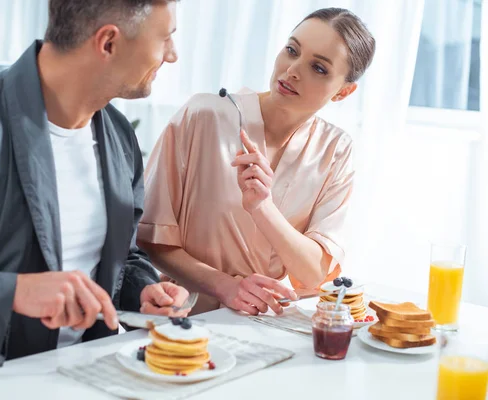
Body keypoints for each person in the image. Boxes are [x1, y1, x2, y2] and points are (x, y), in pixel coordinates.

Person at [0, 1, 185, 398]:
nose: (171, 54)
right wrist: (10, 293)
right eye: (165, 38)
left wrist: (144, 291)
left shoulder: (119, 137)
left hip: (86, 382)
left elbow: (122, 259)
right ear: (109, 42)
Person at [138, 8, 376, 316]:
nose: (292, 70)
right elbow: (152, 239)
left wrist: (263, 208)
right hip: (184, 318)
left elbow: (314, 272)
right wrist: (226, 286)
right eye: (292, 50)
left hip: (267, 323)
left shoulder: (336, 150)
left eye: (318, 68)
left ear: (344, 91)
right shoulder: (203, 116)